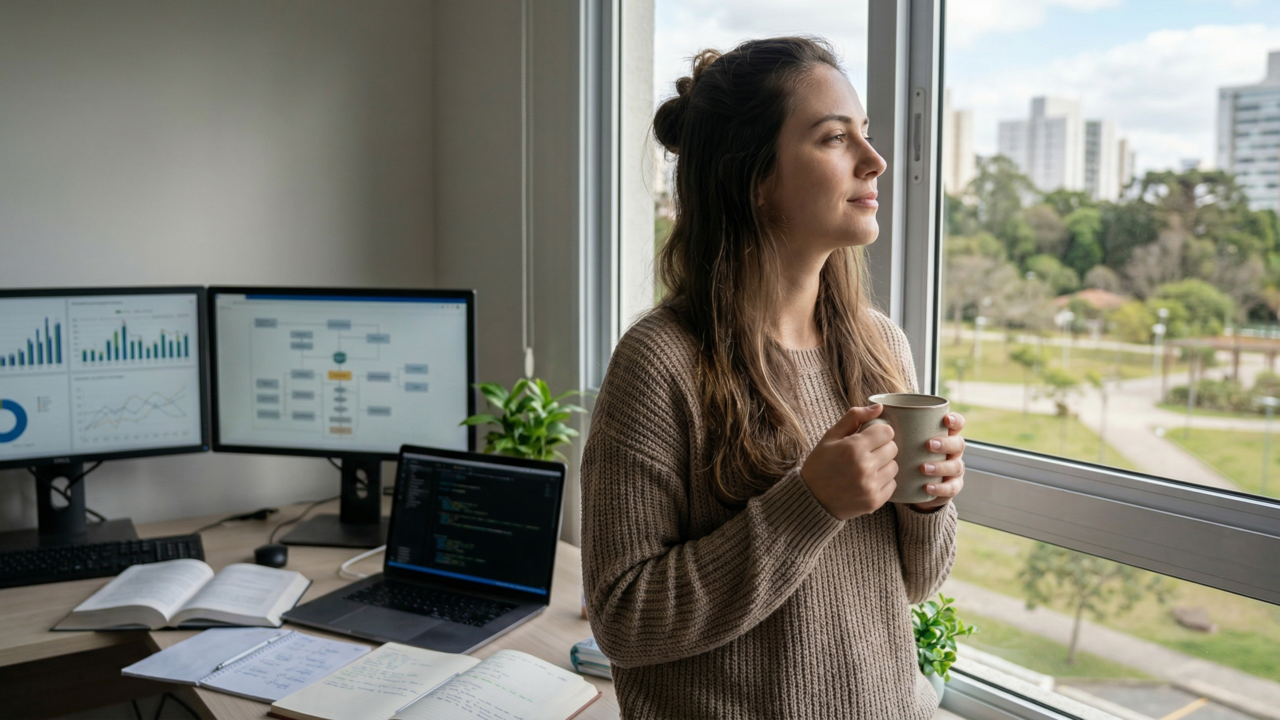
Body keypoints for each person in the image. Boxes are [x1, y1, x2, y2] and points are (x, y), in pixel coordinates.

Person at [580, 36, 967, 719]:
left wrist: (929, 503)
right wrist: (809, 503)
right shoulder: (660, 363)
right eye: (834, 138)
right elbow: (623, 619)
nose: (874, 162)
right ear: (754, 178)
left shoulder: (882, 349)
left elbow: (914, 583)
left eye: (867, 136)